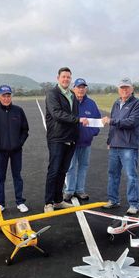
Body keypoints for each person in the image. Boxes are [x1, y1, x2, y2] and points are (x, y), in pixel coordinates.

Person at [44, 67, 88, 212]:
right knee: (54, 170)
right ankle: (48, 202)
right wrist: (77, 119)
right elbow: (57, 114)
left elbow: (73, 116)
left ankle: (58, 200)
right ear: (58, 78)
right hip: (57, 138)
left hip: (70, 139)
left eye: (68, 77)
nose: (66, 79)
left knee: (63, 170)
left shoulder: (72, 95)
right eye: (63, 77)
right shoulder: (52, 94)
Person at [101, 78, 139, 215]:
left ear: (132, 89)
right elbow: (112, 127)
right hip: (115, 145)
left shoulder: (137, 104)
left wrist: (112, 121)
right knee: (113, 174)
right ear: (118, 89)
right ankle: (113, 200)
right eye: (122, 88)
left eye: (127, 87)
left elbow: (131, 122)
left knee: (131, 175)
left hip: (128, 146)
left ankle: (133, 204)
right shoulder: (116, 103)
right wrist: (109, 140)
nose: (124, 90)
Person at [0, 84, 29, 214]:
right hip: (0, 151)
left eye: (8, 95)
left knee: (17, 176)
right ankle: (0, 203)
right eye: (3, 95)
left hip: (16, 150)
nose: (6, 98)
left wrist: (19, 143)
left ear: (11, 96)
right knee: (0, 177)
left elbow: (25, 129)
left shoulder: (18, 110)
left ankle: (20, 202)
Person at [63, 78, 101, 201]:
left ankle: (80, 190)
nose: (81, 89)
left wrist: (91, 134)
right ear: (74, 88)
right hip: (71, 142)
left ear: (85, 89)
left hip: (86, 143)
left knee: (83, 166)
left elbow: (97, 122)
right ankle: (69, 190)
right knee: (71, 167)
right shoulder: (68, 102)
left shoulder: (91, 103)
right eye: (78, 87)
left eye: (83, 87)